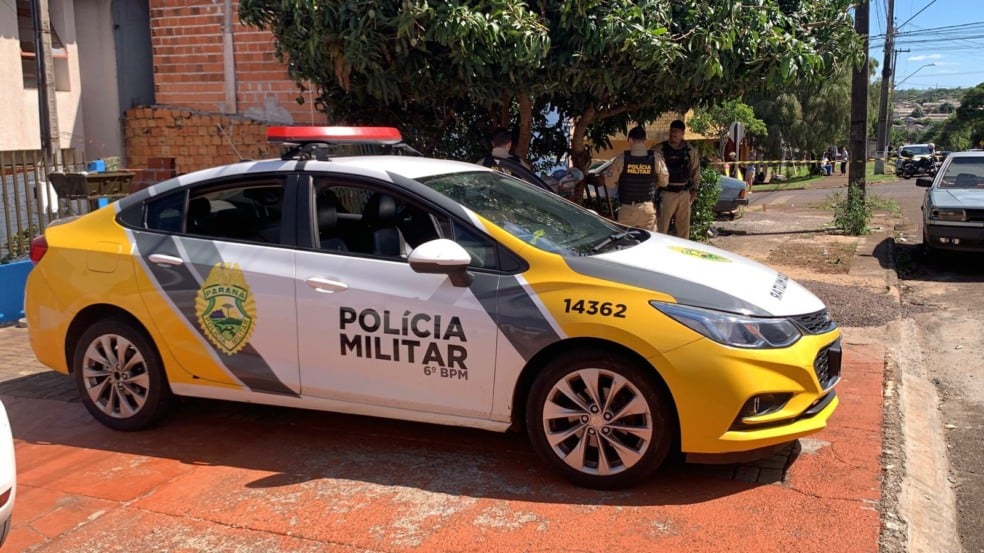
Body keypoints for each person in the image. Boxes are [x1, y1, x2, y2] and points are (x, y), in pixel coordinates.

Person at [606, 125, 668, 230]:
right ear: (645, 140)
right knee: (649, 242)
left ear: (630, 140)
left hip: (627, 209)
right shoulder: (655, 159)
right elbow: (664, 182)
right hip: (648, 209)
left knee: (625, 242)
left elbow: (609, 182)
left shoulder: (621, 159)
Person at [656, 119, 701, 238]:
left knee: (683, 230)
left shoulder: (690, 150)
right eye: (671, 131)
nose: (673, 134)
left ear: (683, 133)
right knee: (661, 229)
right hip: (666, 194)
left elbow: (695, 170)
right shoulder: (660, 149)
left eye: (676, 131)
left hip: (684, 194)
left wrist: (695, 189)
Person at [478, 128, 554, 192]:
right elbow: (533, 187)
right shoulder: (518, 164)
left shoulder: (481, 164)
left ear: (492, 143)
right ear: (509, 145)